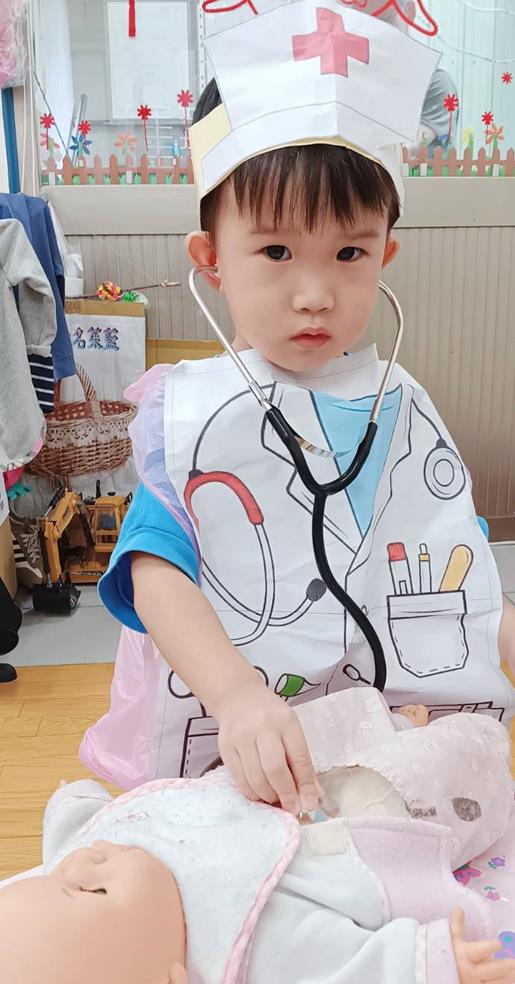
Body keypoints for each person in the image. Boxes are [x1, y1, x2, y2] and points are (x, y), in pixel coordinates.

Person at [79, 1, 515, 811]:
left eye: (348, 252)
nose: (314, 293)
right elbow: (151, 569)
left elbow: (445, 562)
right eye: (276, 250)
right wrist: (236, 695)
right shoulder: (192, 413)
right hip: (246, 744)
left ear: (385, 254)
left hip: (382, 742)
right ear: (212, 260)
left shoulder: (398, 402)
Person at [1, 690, 515, 984]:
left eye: (55, 874)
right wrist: (436, 967)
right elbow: (338, 981)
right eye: (93, 889)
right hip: (335, 824)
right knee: (424, 779)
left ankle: (390, 723)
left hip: (251, 784)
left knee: (298, 734)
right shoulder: (246, 945)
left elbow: (71, 834)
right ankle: (416, 740)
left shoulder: (85, 858)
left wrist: (73, 801)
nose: (82, 861)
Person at [373, 0, 460, 155]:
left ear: (409, 12)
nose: (375, 30)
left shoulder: (434, 82)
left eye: (386, 18)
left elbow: (405, 151)